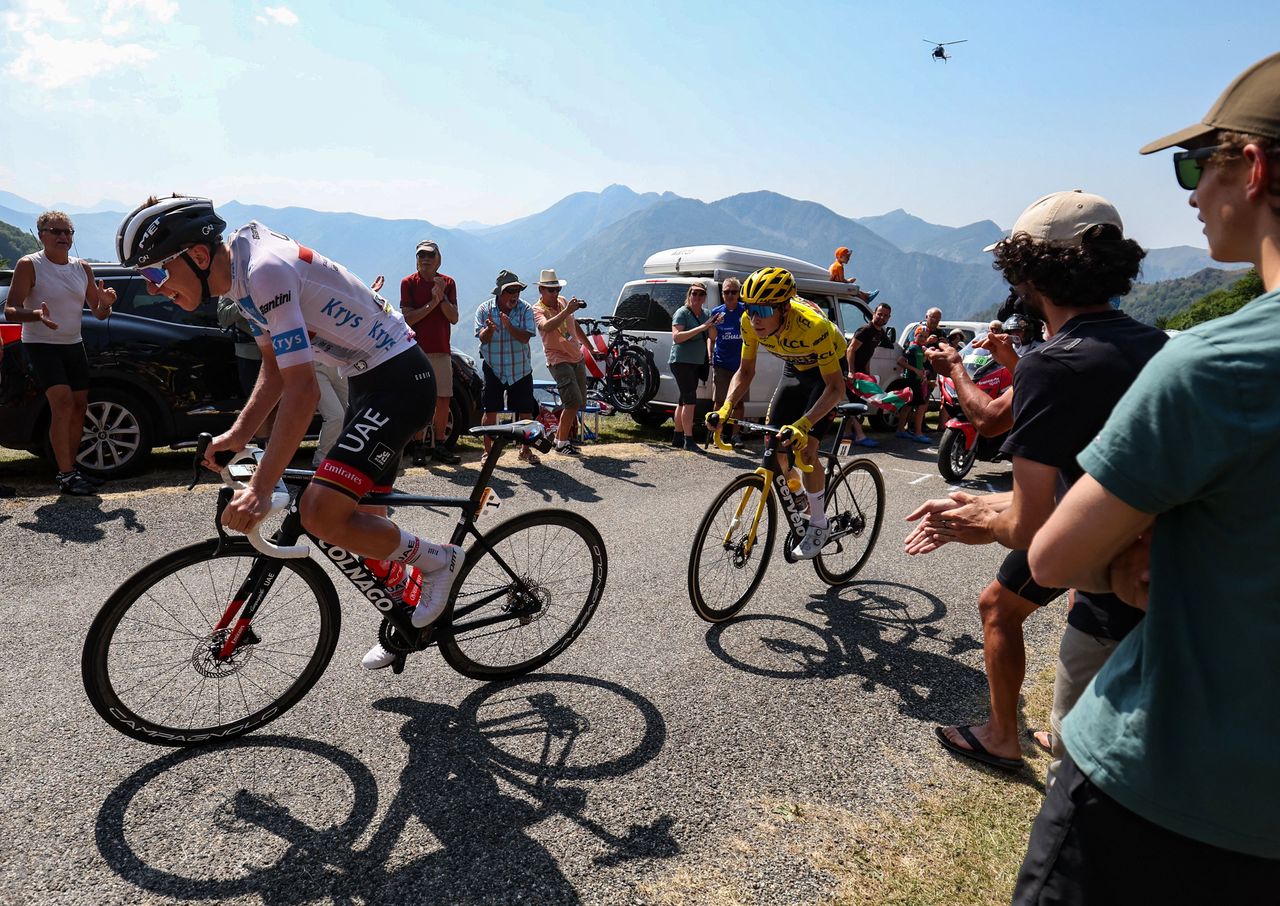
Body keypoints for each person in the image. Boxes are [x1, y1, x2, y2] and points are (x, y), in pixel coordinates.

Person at [1014, 53, 1280, 901]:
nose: (1193, 194)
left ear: (1259, 166)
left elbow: (1051, 556)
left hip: (1171, 781)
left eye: (1197, 167)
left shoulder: (1219, 361)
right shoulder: (1157, 346)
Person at [116, 195, 464, 672]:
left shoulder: (264, 272)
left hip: (400, 382)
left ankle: (439, 560)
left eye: (155, 274)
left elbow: (301, 391)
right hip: (368, 379)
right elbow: (275, 371)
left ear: (197, 256)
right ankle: (410, 620)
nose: (154, 288)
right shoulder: (240, 277)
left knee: (322, 511)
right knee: (362, 525)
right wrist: (238, 434)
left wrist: (260, 489)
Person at [904, 189, 1167, 775]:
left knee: (999, 607)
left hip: (1103, 565)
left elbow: (1031, 525)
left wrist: (978, 519)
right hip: (1161, 568)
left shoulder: (1051, 361)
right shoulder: (1158, 345)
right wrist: (994, 500)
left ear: (1027, 272)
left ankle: (1003, 735)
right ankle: (1058, 729)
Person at [708, 267, 847, 559]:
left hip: (826, 374)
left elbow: (836, 389)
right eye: (750, 308)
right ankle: (799, 493)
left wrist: (805, 424)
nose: (755, 317)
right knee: (776, 447)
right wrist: (725, 408)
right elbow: (745, 372)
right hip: (795, 368)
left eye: (764, 309)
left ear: (784, 308)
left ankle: (819, 525)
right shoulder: (749, 322)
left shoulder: (813, 326)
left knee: (807, 449)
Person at [3, 211, 117, 495]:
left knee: (80, 406)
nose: (63, 237)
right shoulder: (29, 264)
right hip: (40, 345)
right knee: (63, 403)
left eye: (68, 232)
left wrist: (106, 304)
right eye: (56, 231)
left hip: (72, 344)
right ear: (42, 234)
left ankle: (72, 469)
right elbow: (10, 310)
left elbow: (99, 313)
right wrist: (37, 315)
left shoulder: (82, 267)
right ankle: (66, 474)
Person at [400, 240, 460, 466]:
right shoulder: (408, 283)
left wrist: (441, 296)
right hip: (416, 351)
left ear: (438, 259)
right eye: (421, 256)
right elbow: (408, 319)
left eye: (429, 256)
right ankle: (418, 446)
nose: (425, 260)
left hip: (442, 350)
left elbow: (453, 317)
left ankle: (440, 445)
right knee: (420, 400)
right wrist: (433, 303)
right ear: (416, 259)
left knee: (443, 398)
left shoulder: (448, 283)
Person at [474, 270, 539, 464]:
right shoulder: (484, 310)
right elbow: (482, 338)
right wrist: (490, 330)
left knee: (525, 411)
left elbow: (525, 337)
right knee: (490, 410)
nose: (515, 294)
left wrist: (508, 326)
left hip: (520, 368)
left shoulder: (525, 309)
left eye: (517, 290)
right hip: (494, 367)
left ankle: (525, 450)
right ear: (499, 293)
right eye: (510, 290)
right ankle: (488, 452)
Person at [531, 268, 590, 456]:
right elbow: (547, 326)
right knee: (572, 401)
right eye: (551, 290)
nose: (556, 293)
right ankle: (562, 443)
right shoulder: (537, 309)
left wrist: (590, 347)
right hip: (558, 359)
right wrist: (566, 311)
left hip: (576, 356)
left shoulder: (563, 303)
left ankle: (558, 439)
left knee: (579, 401)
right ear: (541, 290)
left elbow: (575, 326)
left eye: (557, 289)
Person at [217, 295, 276, 445]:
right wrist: (247, 301)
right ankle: (263, 448)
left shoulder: (270, 278)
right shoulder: (231, 285)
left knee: (277, 402)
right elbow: (224, 318)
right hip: (249, 352)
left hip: (278, 348)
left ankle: (276, 448)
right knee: (258, 403)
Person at [668, 282, 719, 450]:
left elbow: (712, 336)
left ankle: (677, 436)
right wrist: (702, 327)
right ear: (689, 295)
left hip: (696, 362)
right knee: (690, 400)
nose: (697, 297)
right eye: (694, 294)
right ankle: (688, 439)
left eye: (701, 294)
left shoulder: (706, 314)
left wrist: (713, 324)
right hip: (681, 362)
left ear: (705, 297)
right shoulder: (682, 313)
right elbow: (677, 337)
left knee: (683, 401)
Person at [844, 301, 894, 448]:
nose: (882, 317)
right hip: (850, 372)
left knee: (856, 402)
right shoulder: (865, 330)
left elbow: (868, 354)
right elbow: (850, 350)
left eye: (885, 316)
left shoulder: (879, 333)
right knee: (856, 403)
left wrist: (868, 375)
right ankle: (860, 436)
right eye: (879, 314)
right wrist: (851, 372)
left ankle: (847, 433)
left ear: (888, 318)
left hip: (861, 373)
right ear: (874, 314)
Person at [707, 277, 748, 445]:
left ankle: (736, 435)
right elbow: (712, 337)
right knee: (719, 402)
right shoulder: (717, 312)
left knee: (738, 403)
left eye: (733, 292)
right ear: (722, 294)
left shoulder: (746, 310)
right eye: (726, 292)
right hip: (722, 364)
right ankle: (719, 434)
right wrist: (710, 353)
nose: (730, 295)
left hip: (741, 366)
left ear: (739, 293)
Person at [894, 330, 932, 444]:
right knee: (920, 406)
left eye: (925, 337)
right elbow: (900, 361)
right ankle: (918, 433)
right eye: (920, 336)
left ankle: (900, 430)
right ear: (915, 336)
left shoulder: (920, 349)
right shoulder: (912, 348)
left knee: (908, 407)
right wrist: (915, 370)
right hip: (911, 380)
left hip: (917, 380)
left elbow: (921, 362)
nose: (922, 338)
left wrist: (923, 372)